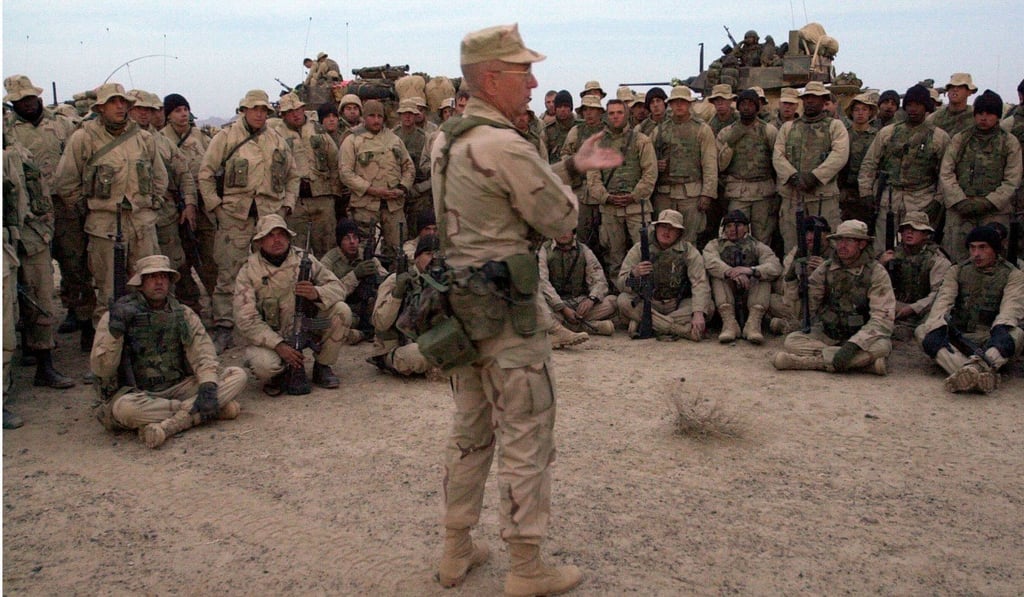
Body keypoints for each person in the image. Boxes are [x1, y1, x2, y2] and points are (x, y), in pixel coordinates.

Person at [429, 23, 623, 595]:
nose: (535, 83)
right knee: (526, 436)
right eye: (523, 72)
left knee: (469, 432)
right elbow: (558, 219)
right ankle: (526, 567)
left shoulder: (449, 140)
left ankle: (455, 549)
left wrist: (570, 167)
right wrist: (571, 183)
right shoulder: (506, 145)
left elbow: (497, 197)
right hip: (510, 319)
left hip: (464, 312)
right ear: (492, 78)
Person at [89, 255, 247, 448]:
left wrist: (207, 386)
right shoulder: (116, 317)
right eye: (152, 277)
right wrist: (115, 333)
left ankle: (171, 422)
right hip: (139, 394)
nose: (159, 282)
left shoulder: (183, 313)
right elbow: (102, 369)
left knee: (237, 375)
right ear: (140, 283)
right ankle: (201, 411)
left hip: (179, 387)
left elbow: (203, 353)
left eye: (164, 276)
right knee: (125, 410)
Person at [54, 82, 169, 327]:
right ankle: (109, 352)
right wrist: (89, 208)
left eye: (123, 102)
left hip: (141, 224)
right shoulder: (84, 138)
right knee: (109, 293)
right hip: (104, 226)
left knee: (148, 287)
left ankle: (146, 347)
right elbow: (65, 182)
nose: (120, 106)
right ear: (100, 107)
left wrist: (151, 206)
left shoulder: (143, 138)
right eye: (113, 102)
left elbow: (160, 178)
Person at [197, 89, 299, 354]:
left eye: (264, 110)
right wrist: (216, 207)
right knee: (229, 272)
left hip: (270, 216)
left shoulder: (277, 140)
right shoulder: (226, 138)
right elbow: (205, 174)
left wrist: (287, 205)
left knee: (270, 271)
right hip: (235, 216)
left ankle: (266, 324)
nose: (259, 114)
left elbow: (292, 176)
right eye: (254, 109)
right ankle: (224, 325)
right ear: (243, 110)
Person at [4, 74, 92, 351]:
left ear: (38, 97)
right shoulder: (7, 130)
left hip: (63, 204)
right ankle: (34, 337)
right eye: (20, 100)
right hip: (29, 213)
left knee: (75, 263)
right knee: (32, 275)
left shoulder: (63, 124)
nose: (27, 104)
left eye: (30, 98)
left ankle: (83, 318)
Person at [233, 215, 349, 395]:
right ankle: (281, 372)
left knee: (341, 311)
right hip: (272, 336)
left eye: (281, 234)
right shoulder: (249, 270)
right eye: (270, 236)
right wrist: (279, 345)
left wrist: (316, 293)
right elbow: (245, 319)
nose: (277, 240)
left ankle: (323, 366)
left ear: (288, 237)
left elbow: (339, 288)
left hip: (306, 327)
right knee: (264, 366)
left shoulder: (304, 259)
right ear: (260, 241)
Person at [772, 220, 894, 375]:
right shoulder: (826, 268)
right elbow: (805, 311)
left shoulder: (877, 272)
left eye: (849, 240)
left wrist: (854, 345)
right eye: (839, 240)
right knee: (792, 341)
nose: (842, 245)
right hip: (829, 332)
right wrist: (793, 279)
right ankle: (864, 365)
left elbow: (883, 318)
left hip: (861, 335)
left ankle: (804, 363)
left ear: (862, 244)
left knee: (882, 347)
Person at [916, 225, 1023, 394]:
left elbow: (1011, 309)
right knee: (923, 330)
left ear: (995, 249)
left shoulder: (1013, 274)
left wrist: (999, 331)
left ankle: (971, 370)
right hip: (961, 337)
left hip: (991, 340)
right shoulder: (957, 271)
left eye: (982, 247)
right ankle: (974, 372)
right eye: (972, 248)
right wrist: (937, 324)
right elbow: (943, 302)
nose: (976, 254)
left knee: (1015, 333)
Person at [127, 90, 202, 318]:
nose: (144, 114)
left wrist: (189, 205)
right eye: (139, 109)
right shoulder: (117, 142)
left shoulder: (163, 143)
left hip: (164, 217)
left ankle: (182, 312)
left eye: (149, 109)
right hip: (127, 220)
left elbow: (185, 175)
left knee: (173, 265)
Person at [858, 84, 950, 255]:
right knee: (881, 249)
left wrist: (937, 201)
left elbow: (945, 174)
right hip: (888, 200)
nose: (913, 109)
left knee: (916, 251)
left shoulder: (939, 137)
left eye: (918, 105)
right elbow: (869, 165)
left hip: (920, 200)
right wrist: (866, 193)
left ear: (926, 107)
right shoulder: (888, 133)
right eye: (909, 104)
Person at [939, 90, 1022, 262]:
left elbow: (1012, 179)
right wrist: (960, 200)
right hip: (960, 211)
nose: (984, 118)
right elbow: (946, 172)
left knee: (995, 262)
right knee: (955, 261)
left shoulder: (1009, 142)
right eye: (980, 113)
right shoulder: (961, 139)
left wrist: (989, 202)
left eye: (989, 113)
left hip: (995, 213)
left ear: (998, 116)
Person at [773, 81, 850, 256]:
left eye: (815, 98)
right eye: (807, 98)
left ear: (824, 101)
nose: (810, 101)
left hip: (822, 197)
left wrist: (814, 177)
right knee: (792, 248)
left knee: (827, 246)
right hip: (793, 197)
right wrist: (793, 176)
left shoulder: (835, 126)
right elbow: (778, 155)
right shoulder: (788, 127)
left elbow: (840, 155)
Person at [588, 98, 658, 282]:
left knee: (643, 252)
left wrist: (634, 196)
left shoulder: (641, 140)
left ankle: (644, 291)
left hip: (637, 208)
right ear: (606, 115)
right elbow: (593, 177)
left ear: (626, 114)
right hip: (610, 208)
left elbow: (650, 173)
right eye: (611, 113)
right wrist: (606, 197)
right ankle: (618, 292)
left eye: (619, 112)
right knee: (613, 255)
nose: (615, 116)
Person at [339, 99, 415, 262]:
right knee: (363, 252)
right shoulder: (352, 140)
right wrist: (371, 190)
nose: (376, 120)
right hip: (365, 206)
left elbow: (409, 167)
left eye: (379, 116)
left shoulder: (394, 139)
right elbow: (345, 173)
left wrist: (402, 188)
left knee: (398, 251)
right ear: (364, 117)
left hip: (393, 206)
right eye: (372, 116)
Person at [162, 92, 217, 323]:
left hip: (202, 204)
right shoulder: (160, 139)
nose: (183, 114)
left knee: (209, 255)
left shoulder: (200, 137)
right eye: (177, 110)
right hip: (174, 207)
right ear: (168, 115)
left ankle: (216, 300)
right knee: (181, 258)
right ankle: (190, 304)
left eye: (185, 109)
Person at [616, 209, 711, 341]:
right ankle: (680, 330)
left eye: (672, 228)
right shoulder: (639, 249)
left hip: (676, 304)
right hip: (650, 302)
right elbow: (621, 284)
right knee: (623, 300)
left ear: (679, 233)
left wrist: (699, 313)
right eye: (663, 226)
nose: (666, 232)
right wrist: (634, 274)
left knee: (708, 307)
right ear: (656, 228)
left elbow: (699, 283)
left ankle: (647, 324)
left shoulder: (689, 251)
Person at [270, 92, 341, 258]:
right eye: (289, 111)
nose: (295, 114)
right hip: (295, 203)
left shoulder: (318, 130)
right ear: (283, 114)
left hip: (322, 198)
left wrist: (334, 193)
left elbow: (335, 161)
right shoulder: (275, 136)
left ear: (303, 109)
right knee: (296, 250)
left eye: (297, 110)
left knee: (327, 248)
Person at [702, 210, 782, 343]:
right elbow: (710, 261)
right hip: (728, 293)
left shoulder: (757, 245)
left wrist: (751, 271)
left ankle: (753, 325)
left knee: (763, 276)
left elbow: (775, 266)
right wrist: (730, 272)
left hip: (750, 293)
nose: (732, 229)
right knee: (717, 276)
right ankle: (729, 324)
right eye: (728, 226)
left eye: (737, 225)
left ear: (746, 228)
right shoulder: (715, 244)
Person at [367, 234, 438, 376]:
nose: (433, 259)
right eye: (428, 254)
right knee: (418, 354)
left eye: (436, 255)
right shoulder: (394, 280)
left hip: (427, 341)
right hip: (395, 347)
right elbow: (380, 323)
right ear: (417, 257)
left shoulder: (438, 281)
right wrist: (397, 294)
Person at [716, 88, 779, 245]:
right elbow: (720, 165)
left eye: (751, 103)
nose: (746, 107)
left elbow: (778, 162)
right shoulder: (727, 133)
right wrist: (731, 141)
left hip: (763, 192)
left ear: (757, 107)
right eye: (743, 103)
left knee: (762, 237)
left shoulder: (768, 131)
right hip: (738, 191)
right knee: (735, 235)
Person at [877, 211, 951, 335]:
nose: (909, 232)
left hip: (923, 311)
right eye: (906, 229)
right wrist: (880, 265)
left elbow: (939, 295)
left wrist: (912, 308)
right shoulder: (891, 255)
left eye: (915, 229)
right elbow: (871, 285)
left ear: (926, 234)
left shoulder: (937, 260)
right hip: (894, 307)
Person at [319, 218, 388, 344]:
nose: (352, 242)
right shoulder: (328, 261)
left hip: (367, 308)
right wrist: (355, 275)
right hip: (345, 308)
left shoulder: (367, 256)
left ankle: (366, 332)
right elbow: (327, 294)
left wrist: (378, 277)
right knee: (335, 323)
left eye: (355, 237)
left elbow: (386, 282)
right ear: (339, 241)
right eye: (346, 238)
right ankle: (362, 333)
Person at [537, 229, 617, 336]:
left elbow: (599, 280)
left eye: (567, 229)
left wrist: (591, 299)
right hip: (556, 306)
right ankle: (589, 327)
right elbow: (543, 283)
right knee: (539, 310)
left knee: (613, 302)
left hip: (579, 304)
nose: (563, 233)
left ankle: (567, 326)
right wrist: (562, 308)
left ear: (573, 231)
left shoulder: (584, 250)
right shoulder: (544, 250)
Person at [767, 215, 832, 335]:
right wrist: (797, 268)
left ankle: (792, 325)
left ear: (827, 234)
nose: (809, 237)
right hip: (801, 300)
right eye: (806, 232)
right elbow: (788, 284)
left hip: (826, 302)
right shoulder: (798, 251)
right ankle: (798, 322)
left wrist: (826, 269)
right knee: (770, 299)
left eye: (814, 232)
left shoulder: (837, 252)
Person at [561, 95, 607, 256]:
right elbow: (565, 155)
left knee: (606, 238)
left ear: (600, 111)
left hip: (604, 191)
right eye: (585, 110)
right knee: (583, 235)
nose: (589, 113)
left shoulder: (608, 131)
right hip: (581, 191)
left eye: (592, 109)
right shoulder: (576, 131)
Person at [392, 98, 433, 239]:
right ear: (399, 115)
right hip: (396, 191)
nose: (407, 116)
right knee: (396, 233)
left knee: (419, 230)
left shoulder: (425, 138)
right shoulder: (392, 136)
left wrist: (419, 189)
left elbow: (432, 169)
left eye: (411, 113)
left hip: (419, 193)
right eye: (404, 113)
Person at [838, 93, 879, 225]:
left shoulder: (877, 136)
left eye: (864, 109)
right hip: (844, 189)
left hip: (867, 192)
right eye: (856, 109)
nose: (860, 113)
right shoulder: (843, 134)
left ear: (870, 113)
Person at [928, 73, 978, 137]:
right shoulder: (934, 118)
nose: (955, 89)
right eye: (951, 87)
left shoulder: (976, 117)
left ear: (969, 92)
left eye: (960, 87)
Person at [540, 90, 577, 164]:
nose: (562, 110)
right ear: (555, 109)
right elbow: (543, 156)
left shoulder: (580, 127)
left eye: (566, 106)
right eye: (559, 107)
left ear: (571, 108)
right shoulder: (548, 130)